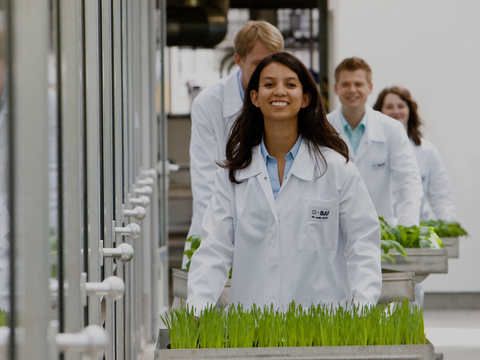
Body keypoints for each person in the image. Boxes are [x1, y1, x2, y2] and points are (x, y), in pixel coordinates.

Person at [187, 52, 382, 315]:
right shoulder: (235, 174)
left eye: (290, 85)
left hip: (322, 327)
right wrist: (196, 312)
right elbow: (214, 251)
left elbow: (363, 245)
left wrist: (363, 310)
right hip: (254, 326)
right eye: (269, 84)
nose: (280, 92)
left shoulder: (337, 169)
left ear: (306, 98)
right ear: (254, 97)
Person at [187, 21, 284, 242]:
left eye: (274, 61)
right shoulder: (209, 103)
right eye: (258, 63)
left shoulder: (290, 98)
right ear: (238, 60)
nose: (267, 72)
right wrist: (222, 238)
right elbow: (206, 182)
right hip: (224, 229)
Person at [327, 57, 423, 226]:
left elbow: (408, 183)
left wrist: (407, 229)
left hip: (380, 232)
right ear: (336, 88)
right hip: (334, 231)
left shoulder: (391, 129)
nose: (352, 90)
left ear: (370, 87)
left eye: (358, 84)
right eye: (345, 84)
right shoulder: (323, 128)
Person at [373, 86, 455, 222]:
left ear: (410, 111)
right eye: (389, 107)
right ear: (379, 112)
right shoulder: (371, 147)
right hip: (379, 230)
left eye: (401, 106)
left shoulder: (427, 151)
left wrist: (450, 232)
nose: (395, 111)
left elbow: (441, 197)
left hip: (413, 230)